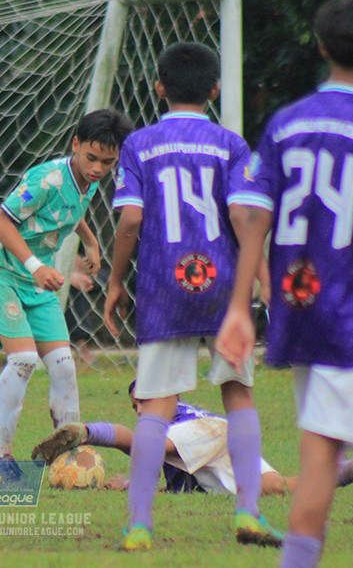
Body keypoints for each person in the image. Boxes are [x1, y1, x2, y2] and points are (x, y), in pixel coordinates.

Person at [216, 0, 353, 568]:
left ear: (322, 48)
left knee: (319, 434)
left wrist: (239, 305)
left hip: (293, 299)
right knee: (323, 448)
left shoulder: (286, 121)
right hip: (346, 303)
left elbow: (255, 215)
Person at [104, 42, 278, 552]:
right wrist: (262, 276)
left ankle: (139, 525)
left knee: (157, 405)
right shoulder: (231, 145)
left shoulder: (139, 144)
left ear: (159, 87)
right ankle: (247, 513)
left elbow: (131, 218)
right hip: (224, 285)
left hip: (162, 288)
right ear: (215, 90)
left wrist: (116, 281)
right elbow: (245, 218)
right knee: (238, 394)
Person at [0, 110, 132, 468]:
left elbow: (73, 211)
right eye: (91, 158)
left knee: (63, 366)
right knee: (24, 359)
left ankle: (67, 457)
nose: (98, 169)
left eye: (107, 162)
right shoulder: (47, 178)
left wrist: (91, 243)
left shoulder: (86, 180)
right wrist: (36, 266)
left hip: (34, 280)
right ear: (75, 145)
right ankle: (0, 455)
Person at [32, 380, 353, 500]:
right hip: (224, 433)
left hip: (206, 432)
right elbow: (173, 482)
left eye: (144, 399)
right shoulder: (171, 417)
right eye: (135, 404)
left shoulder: (168, 415)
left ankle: (85, 431)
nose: (140, 408)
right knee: (276, 487)